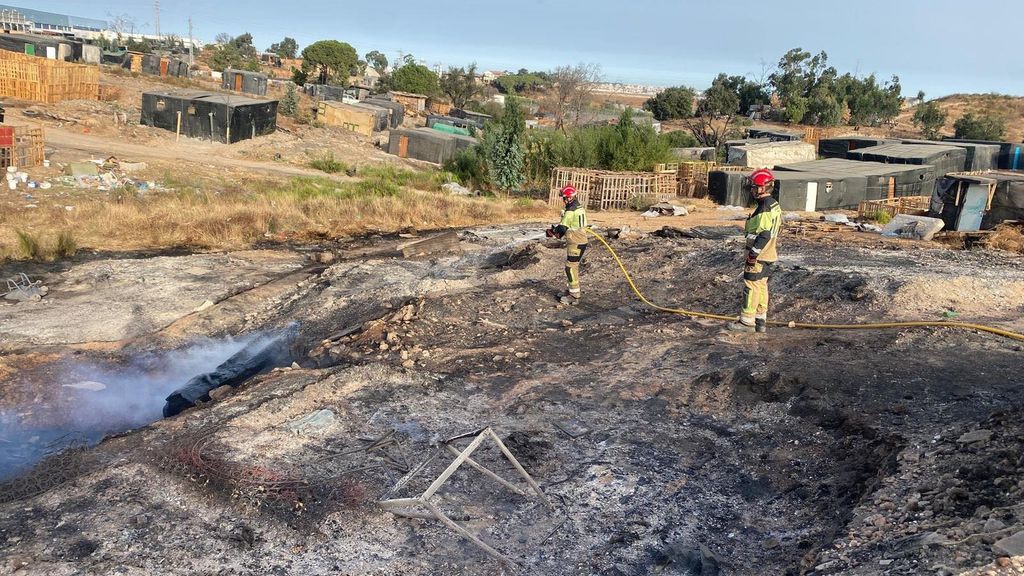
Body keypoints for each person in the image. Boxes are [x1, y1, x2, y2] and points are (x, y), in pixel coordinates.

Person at [729, 168, 782, 333]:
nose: (751, 190)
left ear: (762, 187)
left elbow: (764, 233)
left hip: (759, 254)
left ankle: (746, 321)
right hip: (770, 253)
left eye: (754, 187)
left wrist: (753, 254)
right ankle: (760, 319)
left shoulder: (764, 207)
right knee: (761, 285)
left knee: (751, 285)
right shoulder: (773, 204)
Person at [546, 185, 588, 303]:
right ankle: (572, 291)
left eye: (564, 198)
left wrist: (552, 232)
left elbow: (562, 228)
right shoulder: (577, 207)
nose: (563, 200)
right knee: (571, 266)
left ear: (569, 198)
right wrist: (557, 231)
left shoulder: (571, 210)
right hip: (578, 239)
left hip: (576, 241)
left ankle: (574, 296)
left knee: (571, 267)